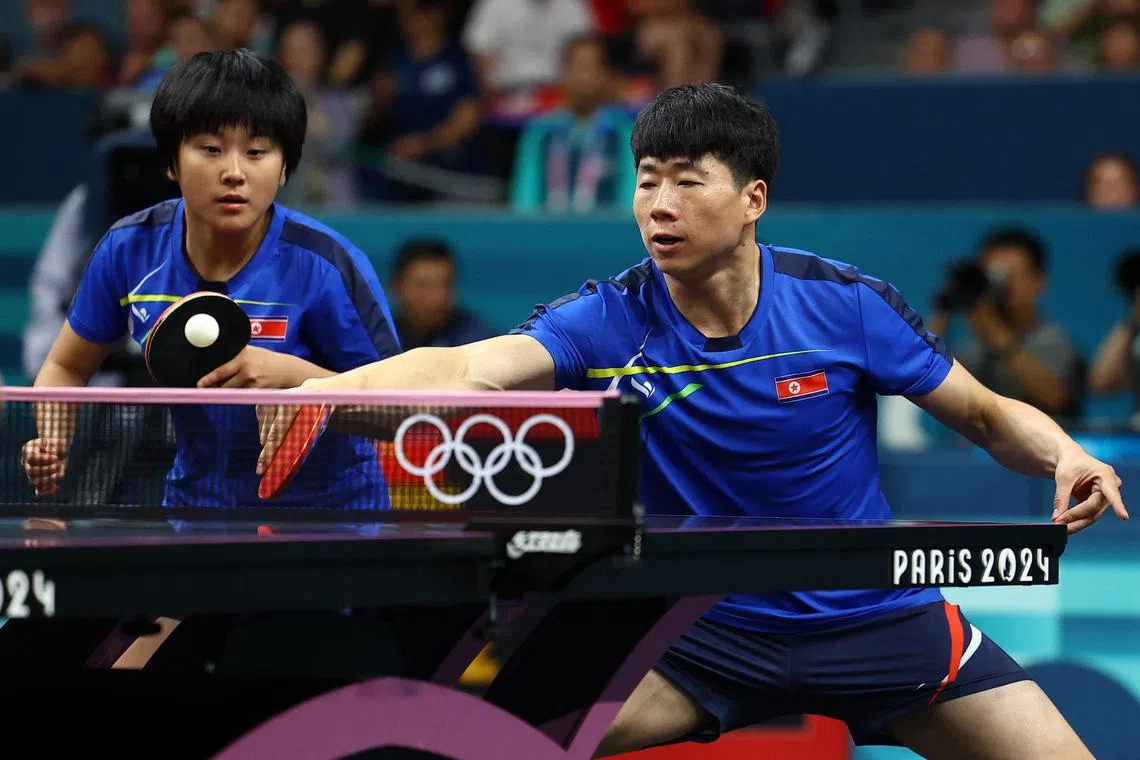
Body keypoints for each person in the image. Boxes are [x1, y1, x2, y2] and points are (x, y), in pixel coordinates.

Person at [259, 83, 1127, 758]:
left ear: (752, 198)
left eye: (686, 180)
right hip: (700, 632)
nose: (658, 204)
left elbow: (980, 412)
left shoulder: (843, 304)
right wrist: (324, 396)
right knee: (483, 744)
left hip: (878, 622)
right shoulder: (609, 317)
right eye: (646, 181)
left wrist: (1063, 453)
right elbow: (465, 367)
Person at [22, 49, 400, 510]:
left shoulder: (326, 265)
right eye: (211, 149)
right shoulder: (129, 250)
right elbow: (65, 365)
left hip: (333, 516)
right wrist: (54, 440)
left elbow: (399, 411)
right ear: (171, 162)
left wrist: (302, 382)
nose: (234, 172)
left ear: (283, 169)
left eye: (257, 152)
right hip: (198, 509)